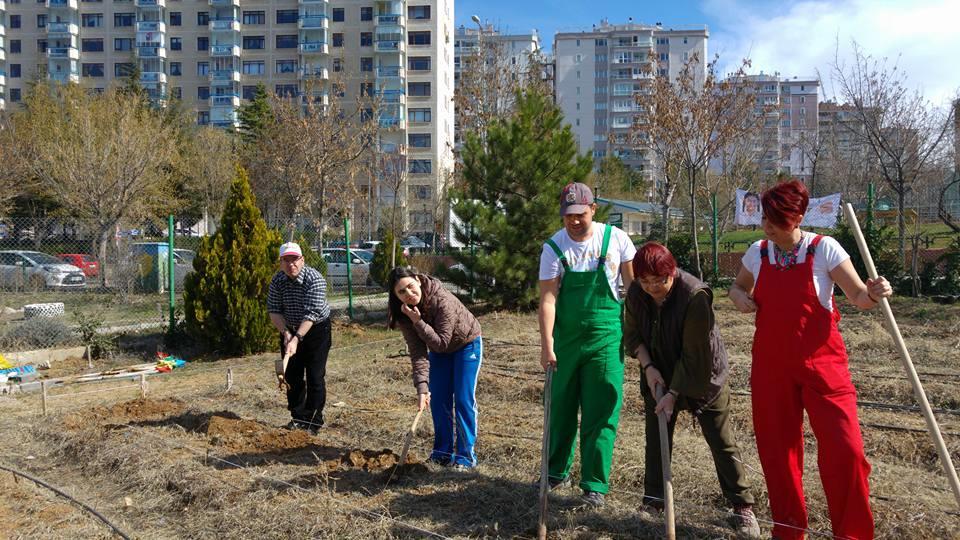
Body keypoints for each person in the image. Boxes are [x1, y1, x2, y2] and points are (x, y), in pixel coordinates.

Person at [729, 180, 892, 540]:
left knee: (846, 452)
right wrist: (738, 297)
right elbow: (738, 286)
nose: (767, 227)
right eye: (765, 219)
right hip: (772, 367)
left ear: (798, 217)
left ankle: (852, 534)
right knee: (778, 455)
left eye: (777, 220)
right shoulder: (759, 252)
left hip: (824, 367)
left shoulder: (824, 249)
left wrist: (875, 292)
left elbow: (858, 296)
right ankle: (788, 532)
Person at [623, 242, 761, 538]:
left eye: (659, 281)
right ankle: (655, 501)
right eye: (645, 281)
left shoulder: (694, 295)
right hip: (658, 371)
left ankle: (741, 506)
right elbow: (632, 336)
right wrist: (649, 369)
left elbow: (694, 353)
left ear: (672, 272)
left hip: (702, 374)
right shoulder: (636, 292)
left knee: (721, 441)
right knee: (656, 438)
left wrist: (674, 394)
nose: (652, 288)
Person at [538, 182, 636, 507]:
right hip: (566, 341)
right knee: (561, 406)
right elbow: (549, 298)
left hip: (606, 339)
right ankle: (555, 472)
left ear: (593, 209)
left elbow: (632, 291)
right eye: (568, 216)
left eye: (580, 214)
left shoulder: (617, 240)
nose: (575, 221)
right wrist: (546, 344)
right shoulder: (554, 247)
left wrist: (637, 335)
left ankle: (594, 484)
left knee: (601, 409)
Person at [387, 266, 483, 469]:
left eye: (411, 287)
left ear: (418, 280)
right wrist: (422, 388)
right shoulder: (404, 313)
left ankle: (466, 458)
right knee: (439, 400)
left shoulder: (441, 299)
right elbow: (418, 353)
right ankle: (442, 454)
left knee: (464, 399)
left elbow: (441, 342)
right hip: (440, 351)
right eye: (401, 292)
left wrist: (418, 321)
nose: (409, 294)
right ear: (395, 296)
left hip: (466, 345)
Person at [267, 242, 332, 433]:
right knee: (292, 375)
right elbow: (274, 310)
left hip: (316, 330)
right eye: (286, 260)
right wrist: (286, 334)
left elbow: (312, 314)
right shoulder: (277, 281)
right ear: (280, 263)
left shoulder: (315, 279)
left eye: (294, 259)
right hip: (290, 328)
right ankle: (298, 417)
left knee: (315, 375)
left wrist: (297, 338)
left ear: (302, 260)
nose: (291, 264)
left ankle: (314, 419)